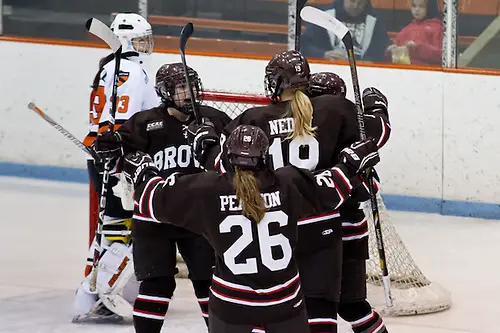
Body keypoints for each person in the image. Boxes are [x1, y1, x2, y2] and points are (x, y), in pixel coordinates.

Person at [121, 124, 381, 333]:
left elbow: (150, 200)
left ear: (228, 157)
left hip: (231, 305)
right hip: (285, 304)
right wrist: (351, 163)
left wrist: (143, 172)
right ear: (265, 158)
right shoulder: (288, 183)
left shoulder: (207, 190)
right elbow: (333, 188)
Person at [200, 50, 389, 333]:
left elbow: (223, 167)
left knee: (277, 308)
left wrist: (206, 144)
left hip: (275, 224)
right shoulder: (333, 109)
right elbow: (378, 135)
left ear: (275, 83)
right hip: (324, 223)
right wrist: (377, 109)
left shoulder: (253, 118)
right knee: (321, 306)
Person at [93, 62, 231, 333]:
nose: (189, 94)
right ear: (165, 91)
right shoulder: (144, 123)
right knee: (157, 284)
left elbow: (233, 163)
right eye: (181, 88)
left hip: (198, 218)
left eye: (191, 87)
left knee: (208, 281)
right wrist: (108, 149)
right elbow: (115, 160)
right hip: (153, 218)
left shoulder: (214, 118)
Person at [75, 12, 159, 323]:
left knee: (112, 226)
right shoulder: (130, 72)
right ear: (126, 40)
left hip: (105, 156)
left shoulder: (112, 67)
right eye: (140, 38)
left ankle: (94, 291)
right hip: (117, 158)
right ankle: (99, 294)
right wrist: (121, 156)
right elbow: (123, 121)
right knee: (117, 226)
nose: (146, 43)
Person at [308, 72, 391, 333]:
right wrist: (377, 108)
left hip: (321, 231)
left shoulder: (296, 130)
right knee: (348, 306)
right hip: (338, 229)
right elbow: (381, 133)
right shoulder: (353, 129)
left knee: (327, 304)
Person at [301, 0, 392, 62]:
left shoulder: (375, 21)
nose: (356, 6)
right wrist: (323, 54)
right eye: (352, 1)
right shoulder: (325, 16)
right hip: (328, 68)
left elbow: (382, 51)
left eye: (361, 3)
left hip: (362, 72)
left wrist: (366, 62)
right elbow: (305, 46)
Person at [386, 0, 442, 64]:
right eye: (414, 6)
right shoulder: (405, 30)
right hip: (404, 70)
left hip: (427, 71)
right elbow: (394, 59)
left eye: (421, 6)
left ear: (429, 7)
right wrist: (390, 51)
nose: (417, 9)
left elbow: (441, 56)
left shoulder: (437, 28)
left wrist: (418, 47)